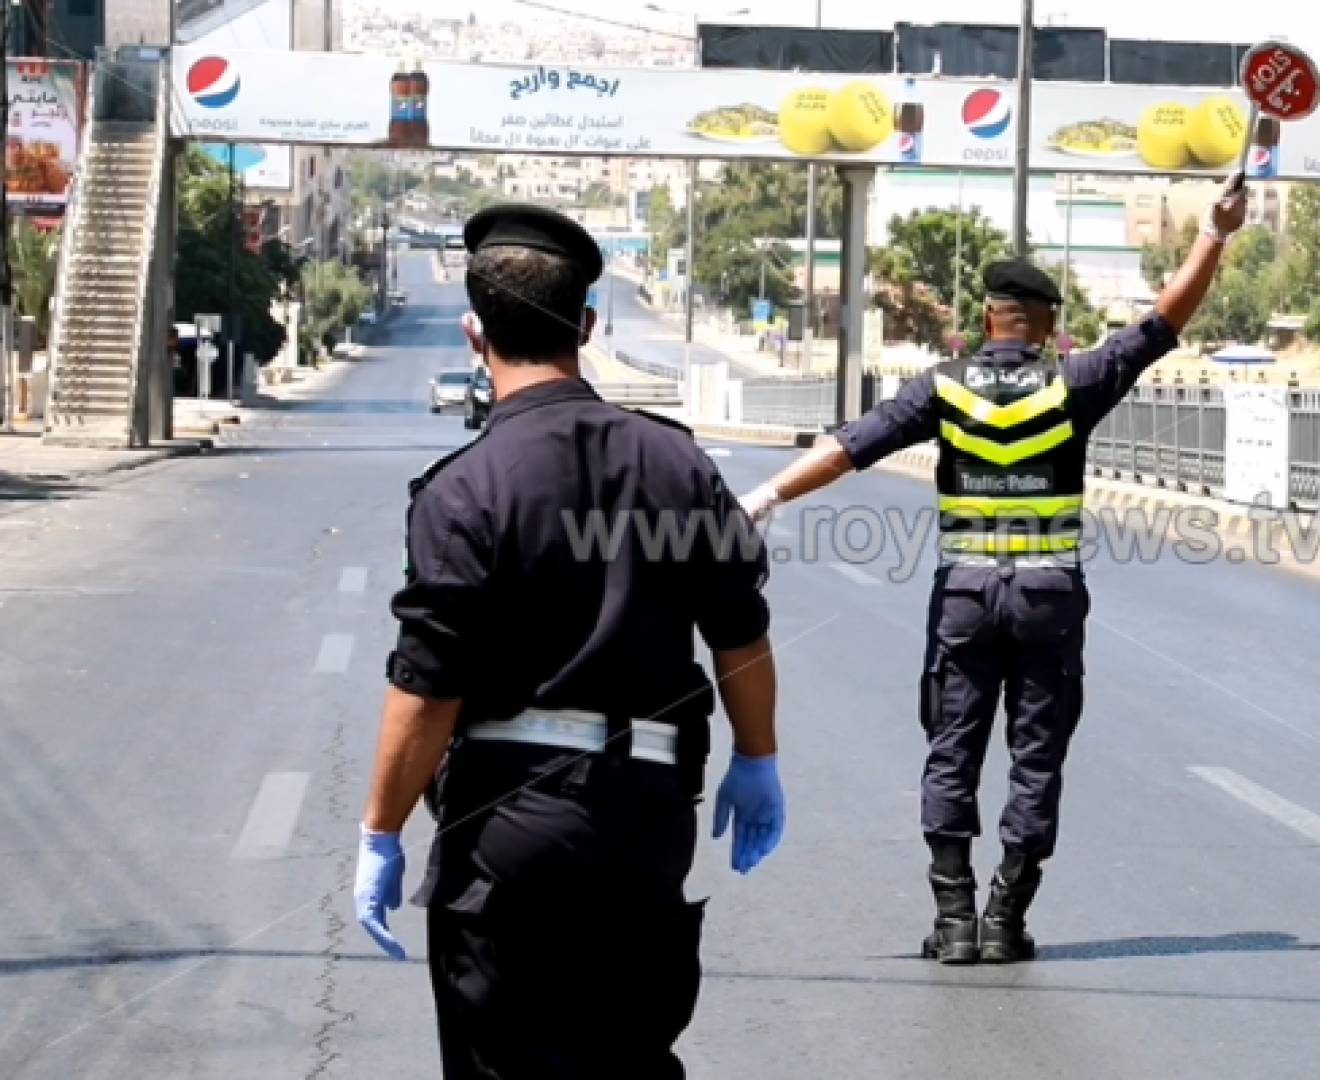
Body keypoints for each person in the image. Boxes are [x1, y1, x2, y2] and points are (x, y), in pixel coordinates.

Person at [736, 173, 1250, 965]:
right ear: (1048, 325)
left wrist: (764, 496)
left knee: (953, 746)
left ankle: (952, 922)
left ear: (986, 319)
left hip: (967, 596)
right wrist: (1214, 233)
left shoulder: (943, 388)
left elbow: (851, 447)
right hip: (1048, 595)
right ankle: (1007, 918)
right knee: (1036, 752)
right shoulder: (1073, 381)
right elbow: (1163, 321)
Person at [351, 204, 785, 1078]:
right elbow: (740, 632)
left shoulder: (465, 489)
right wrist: (758, 758)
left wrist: (382, 831)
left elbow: (431, 687)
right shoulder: (680, 466)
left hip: (508, 834)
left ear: (475, 335)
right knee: (630, 1059)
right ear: (587, 326)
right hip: (648, 822)